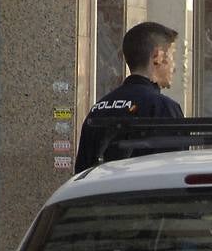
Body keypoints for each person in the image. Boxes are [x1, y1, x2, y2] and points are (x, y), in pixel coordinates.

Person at [74, 21, 183, 173]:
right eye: (172, 56)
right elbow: (174, 174)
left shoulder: (99, 108)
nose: (175, 66)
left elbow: (81, 174)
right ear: (157, 56)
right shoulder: (163, 108)